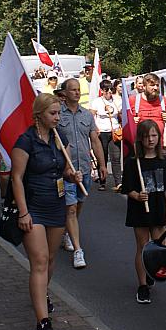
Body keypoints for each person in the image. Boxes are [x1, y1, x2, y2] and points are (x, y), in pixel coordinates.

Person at [11, 93, 80, 330]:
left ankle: (42, 293)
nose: (58, 118)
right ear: (39, 114)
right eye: (53, 113)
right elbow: (16, 177)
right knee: (39, 260)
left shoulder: (60, 139)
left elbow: (63, 170)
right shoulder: (26, 141)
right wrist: (23, 212)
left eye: (59, 113)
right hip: (34, 206)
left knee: (50, 259)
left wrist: (73, 176)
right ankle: (42, 321)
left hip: (56, 205)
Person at [121, 119, 166, 304]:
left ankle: (151, 269)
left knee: (158, 245)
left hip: (159, 208)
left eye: (154, 135)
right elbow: (127, 187)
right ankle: (142, 285)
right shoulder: (133, 162)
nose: (151, 140)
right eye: (146, 136)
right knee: (142, 247)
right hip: (140, 210)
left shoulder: (163, 161)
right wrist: (137, 195)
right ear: (140, 139)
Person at [59, 78, 107, 269]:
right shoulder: (57, 114)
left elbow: (94, 140)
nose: (77, 93)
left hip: (84, 168)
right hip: (65, 171)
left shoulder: (86, 115)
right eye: (73, 90)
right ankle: (78, 250)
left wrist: (102, 164)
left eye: (78, 90)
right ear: (65, 93)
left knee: (78, 204)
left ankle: (69, 233)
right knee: (70, 207)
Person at [90, 79, 121, 192]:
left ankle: (118, 182)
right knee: (102, 157)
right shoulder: (97, 102)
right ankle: (102, 182)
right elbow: (91, 116)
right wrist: (95, 128)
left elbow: (122, 115)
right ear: (101, 90)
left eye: (110, 89)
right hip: (102, 132)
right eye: (106, 90)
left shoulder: (117, 100)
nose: (108, 92)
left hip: (114, 132)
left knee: (116, 158)